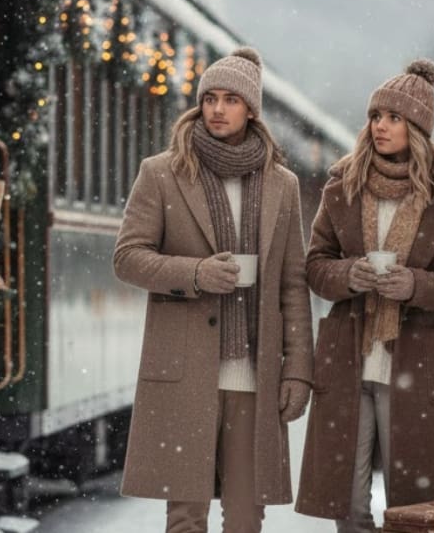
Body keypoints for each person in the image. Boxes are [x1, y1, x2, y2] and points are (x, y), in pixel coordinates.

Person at [113, 47, 314, 533]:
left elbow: (292, 285)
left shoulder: (281, 185)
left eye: (230, 100)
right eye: (210, 99)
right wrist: (196, 274)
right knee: (185, 516)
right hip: (185, 368)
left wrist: (299, 371)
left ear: (251, 110)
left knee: (246, 516)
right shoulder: (161, 173)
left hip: (254, 373)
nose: (218, 110)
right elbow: (127, 257)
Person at [295, 59, 434, 532]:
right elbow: (314, 266)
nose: (381, 126)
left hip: (417, 364)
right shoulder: (343, 186)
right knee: (347, 505)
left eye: (394, 118)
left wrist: (414, 285)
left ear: (416, 128)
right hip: (348, 360)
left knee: (414, 509)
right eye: (376, 116)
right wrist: (349, 276)